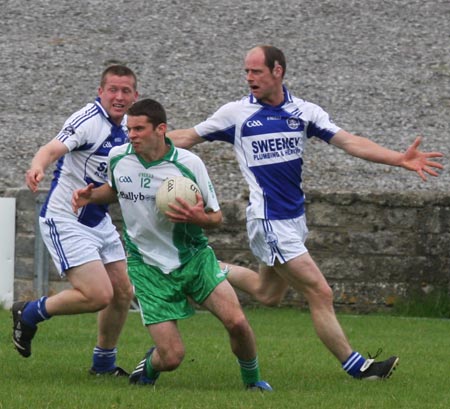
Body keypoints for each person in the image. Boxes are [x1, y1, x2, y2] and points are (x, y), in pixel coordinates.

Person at [167, 45, 445, 380]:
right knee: (320, 292)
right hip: (268, 221)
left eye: (256, 71)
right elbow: (187, 136)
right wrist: (139, 142)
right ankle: (360, 368)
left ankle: (197, 268)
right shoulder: (236, 114)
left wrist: (399, 159)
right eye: (246, 72)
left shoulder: (304, 111)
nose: (249, 78)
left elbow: (350, 142)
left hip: (294, 220)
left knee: (266, 293)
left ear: (278, 71)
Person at [71, 98, 272, 391]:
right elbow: (114, 190)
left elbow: (216, 218)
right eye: (129, 129)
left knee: (238, 323)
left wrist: (197, 217)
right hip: (147, 267)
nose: (132, 135)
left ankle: (253, 383)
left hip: (194, 258)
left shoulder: (188, 165)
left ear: (161, 129)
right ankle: (149, 368)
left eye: (139, 129)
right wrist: (91, 196)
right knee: (173, 356)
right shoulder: (118, 157)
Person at [12, 65, 137, 376]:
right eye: (113, 90)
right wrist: (36, 166)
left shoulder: (132, 127)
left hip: (98, 220)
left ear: (135, 95)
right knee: (98, 295)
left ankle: (103, 366)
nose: (119, 97)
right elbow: (52, 148)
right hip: (65, 218)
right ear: (101, 91)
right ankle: (29, 313)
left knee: (123, 292)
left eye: (126, 91)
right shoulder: (88, 120)